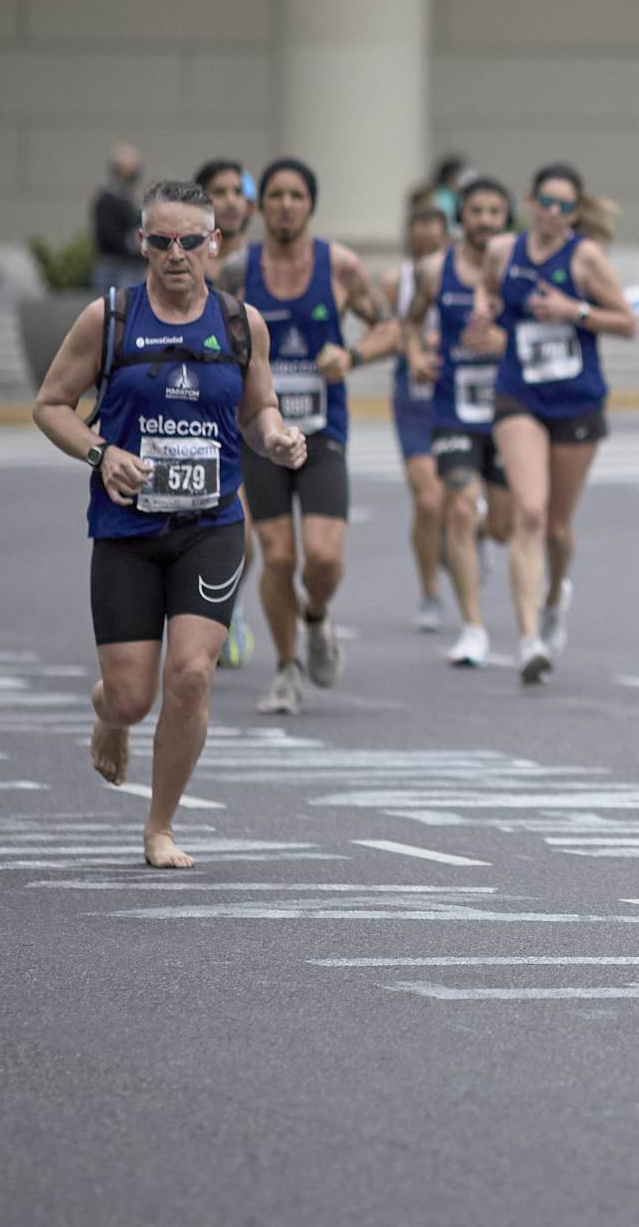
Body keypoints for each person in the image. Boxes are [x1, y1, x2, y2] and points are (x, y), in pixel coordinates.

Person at [32, 179, 306, 867]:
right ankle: (108, 714)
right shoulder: (111, 318)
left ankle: (160, 826)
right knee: (131, 696)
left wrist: (275, 437)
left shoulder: (243, 323)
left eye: (190, 240)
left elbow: (259, 406)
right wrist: (101, 453)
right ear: (142, 243)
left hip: (211, 525)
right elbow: (51, 405)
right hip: (125, 529)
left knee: (190, 677)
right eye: (162, 241)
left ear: (214, 243)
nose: (176, 253)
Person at [242, 158, 400, 715]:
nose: (286, 205)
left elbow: (390, 328)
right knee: (279, 558)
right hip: (260, 434)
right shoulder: (239, 270)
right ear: (261, 205)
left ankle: (316, 615)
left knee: (324, 558)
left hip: (322, 430)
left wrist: (352, 355)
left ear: (311, 204)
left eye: (297, 196)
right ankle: (286, 670)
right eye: (276, 195)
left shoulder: (340, 267)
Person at [473, 163, 637, 684]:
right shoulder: (504, 250)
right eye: (546, 201)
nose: (553, 213)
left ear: (575, 212)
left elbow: (627, 323)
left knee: (558, 528)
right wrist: (485, 309)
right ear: (530, 200)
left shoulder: (585, 257)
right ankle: (528, 640)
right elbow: (487, 284)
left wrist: (574, 309)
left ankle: (553, 595)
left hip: (576, 401)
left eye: (565, 206)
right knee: (530, 513)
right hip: (518, 394)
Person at [408, 177, 516, 668]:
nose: (486, 220)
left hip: (510, 410)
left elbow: (544, 329)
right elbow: (410, 322)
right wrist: (415, 354)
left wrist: (504, 345)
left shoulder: (520, 268)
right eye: (477, 211)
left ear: (506, 218)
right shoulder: (434, 269)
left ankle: (482, 540)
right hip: (453, 408)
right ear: (462, 217)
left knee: (503, 523)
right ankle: (473, 627)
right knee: (456, 507)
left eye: (495, 212)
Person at [196, 158, 259, 669]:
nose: (232, 199)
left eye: (239, 190)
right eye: (220, 190)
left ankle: (227, 605)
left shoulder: (267, 262)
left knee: (251, 539)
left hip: (254, 413)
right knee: (225, 527)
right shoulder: (184, 265)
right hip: (201, 415)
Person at [384, 205, 455, 632]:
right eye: (420, 241)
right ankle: (430, 591)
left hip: (454, 392)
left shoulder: (463, 273)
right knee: (427, 500)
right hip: (412, 394)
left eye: (435, 242)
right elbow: (385, 329)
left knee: (457, 500)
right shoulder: (397, 282)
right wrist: (411, 346)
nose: (427, 249)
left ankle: (467, 535)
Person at [90, 144, 145, 295]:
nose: (135, 172)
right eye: (131, 168)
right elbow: (107, 235)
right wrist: (131, 241)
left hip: (129, 269)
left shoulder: (127, 198)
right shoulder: (107, 199)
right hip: (115, 270)